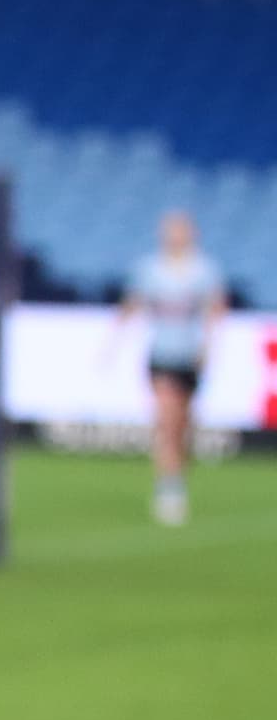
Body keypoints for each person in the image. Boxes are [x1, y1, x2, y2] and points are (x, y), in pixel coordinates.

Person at [120, 210, 225, 526]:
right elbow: (134, 303)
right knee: (166, 419)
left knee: (182, 426)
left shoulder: (204, 270)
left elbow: (214, 310)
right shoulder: (150, 270)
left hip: (189, 357)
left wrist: (207, 348)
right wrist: (111, 342)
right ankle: (169, 488)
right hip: (161, 356)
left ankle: (178, 469)